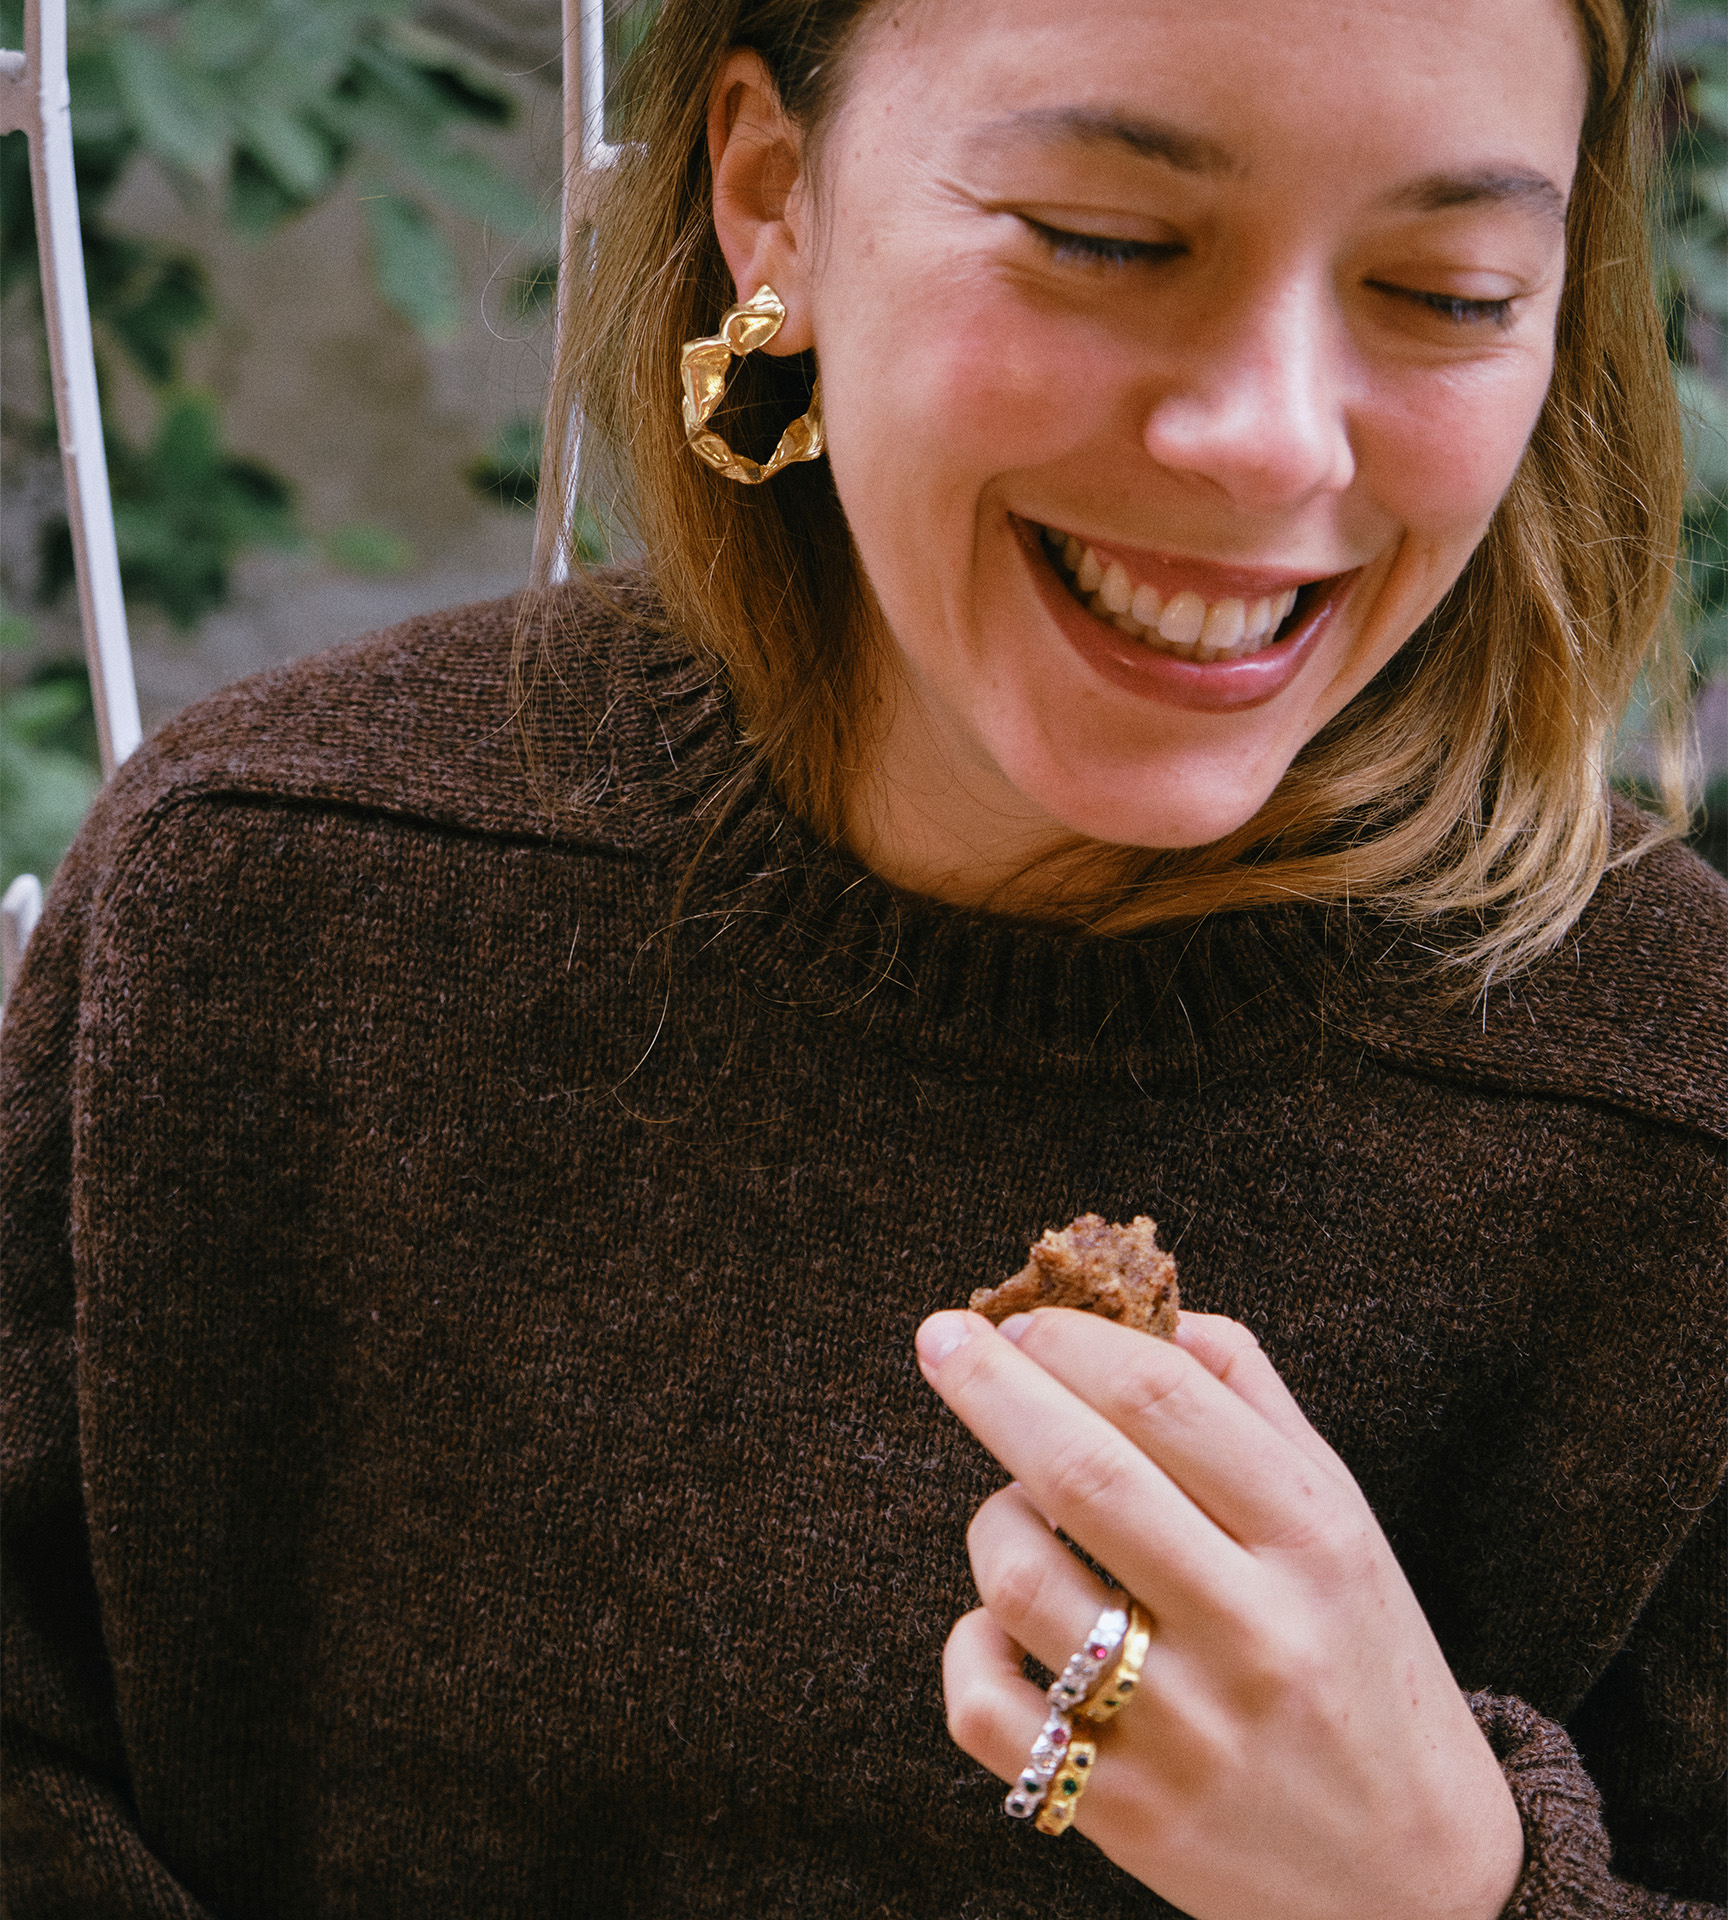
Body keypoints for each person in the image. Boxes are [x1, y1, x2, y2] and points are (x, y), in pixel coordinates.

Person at [2, 0, 1722, 1913]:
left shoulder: (1680, 1115)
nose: (1264, 437)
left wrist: (1447, 1887)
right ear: (772, 195)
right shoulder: (262, 893)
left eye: (1447, 291)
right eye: (1106, 241)